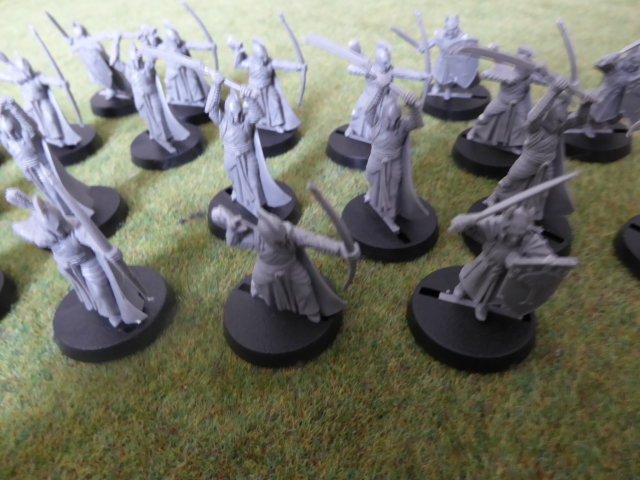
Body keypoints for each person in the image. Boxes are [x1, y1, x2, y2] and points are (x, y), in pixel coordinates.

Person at [212, 206, 358, 323]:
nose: (281, 242)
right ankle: (257, 290)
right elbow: (233, 242)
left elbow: (318, 242)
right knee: (259, 281)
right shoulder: (258, 236)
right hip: (266, 269)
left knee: (305, 288)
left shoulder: (291, 233)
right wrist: (231, 228)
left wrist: (343, 249)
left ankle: (311, 311)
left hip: (290, 267)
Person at [205, 72, 291, 215]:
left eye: (239, 113)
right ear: (227, 113)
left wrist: (249, 98)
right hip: (231, 156)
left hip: (248, 154)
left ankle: (258, 208)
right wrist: (215, 86)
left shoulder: (245, 121)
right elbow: (210, 109)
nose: (237, 117)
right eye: (233, 114)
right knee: (234, 177)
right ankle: (237, 193)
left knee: (254, 182)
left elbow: (258, 115)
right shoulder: (223, 122)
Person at [363, 76, 429, 233]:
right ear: (384, 115)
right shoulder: (375, 123)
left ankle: (390, 217)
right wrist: (379, 88)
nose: (392, 123)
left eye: (395, 119)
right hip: (376, 159)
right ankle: (372, 196)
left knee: (392, 191)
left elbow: (417, 123)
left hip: (394, 162)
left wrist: (413, 108)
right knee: (372, 180)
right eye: (389, 119)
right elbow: (368, 109)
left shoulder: (402, 125)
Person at [227, 35, 305, 133]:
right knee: (259, 108)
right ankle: (261, 123)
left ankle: (276, 125)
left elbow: (283, 64)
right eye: (261, 57)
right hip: (255, 89)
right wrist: (237, 52)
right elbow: (237, 64)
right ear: (256, 56)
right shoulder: (250, 63)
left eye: (265, 56)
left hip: (268, 87)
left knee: (275, 103)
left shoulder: (270, 62)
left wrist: (299, 67)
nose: (264, 59)